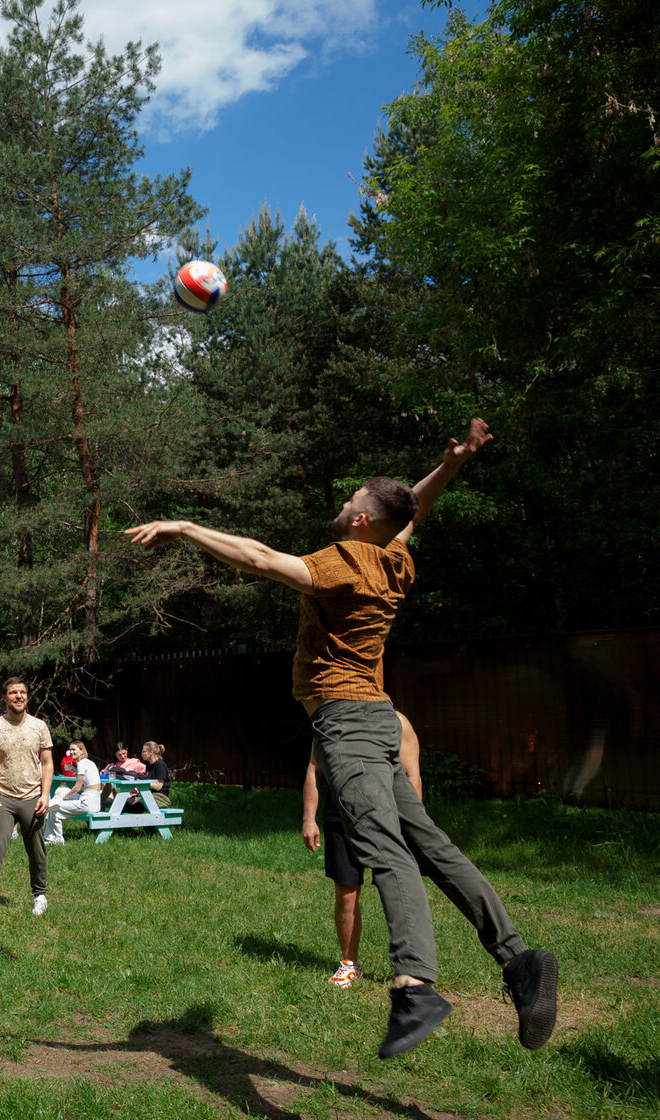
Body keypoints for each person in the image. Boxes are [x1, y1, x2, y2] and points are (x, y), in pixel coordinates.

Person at [127, 418, 558, 1059]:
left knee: (385, 848)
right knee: (431, 845)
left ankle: (415, 983)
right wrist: (454, 463)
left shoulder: (345, 564)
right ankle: (519, 960)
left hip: (348, 724)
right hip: (379, 718)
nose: (347, 500)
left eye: (353, 496)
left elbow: (258, 556)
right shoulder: (393, 556)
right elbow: (410, 507)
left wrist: (186, 528)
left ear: (360, 520)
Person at [303, 712, 424, 988]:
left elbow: (412, 776)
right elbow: (314, 769)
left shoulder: (398, 723)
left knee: (398, 893)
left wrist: (412, 828)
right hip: (340, 816)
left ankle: (410, 968)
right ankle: (349, 964)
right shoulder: (330, 721)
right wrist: (309, 818)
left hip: (388, 818)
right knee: (346, 893)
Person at [0, 677, 54, 919]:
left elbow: (47, 762)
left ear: (27, 696)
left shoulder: (39, 726)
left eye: (22, 692)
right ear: (4, 698)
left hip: (33, 798)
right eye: (13, 693)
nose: (18, 696)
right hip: (2, 797)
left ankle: (40, 896)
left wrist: (45, 794)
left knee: (37, 851)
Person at [43, 741, 102, 844]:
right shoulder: (89, 763)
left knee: (54, 808)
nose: (71, 752)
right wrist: (74, 771)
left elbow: (77, 788)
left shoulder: (82, 764)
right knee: (61, 789)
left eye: (74, 749)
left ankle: (57, 839)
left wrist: (64, 797)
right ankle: (48, 808)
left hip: (87, 803)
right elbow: (85, 786)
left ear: (82, 750)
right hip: (95, 802)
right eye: (70, 750)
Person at [122, 740, 172, 811]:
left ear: (151, 752)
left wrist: (141, 783)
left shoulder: (160, 765)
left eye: (144, 751)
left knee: (135, 806)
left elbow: (158, 786)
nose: (142, 753)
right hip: (147, 794)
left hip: (160, 797)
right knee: (124, 804)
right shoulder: (148, 765)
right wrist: (137, 790)